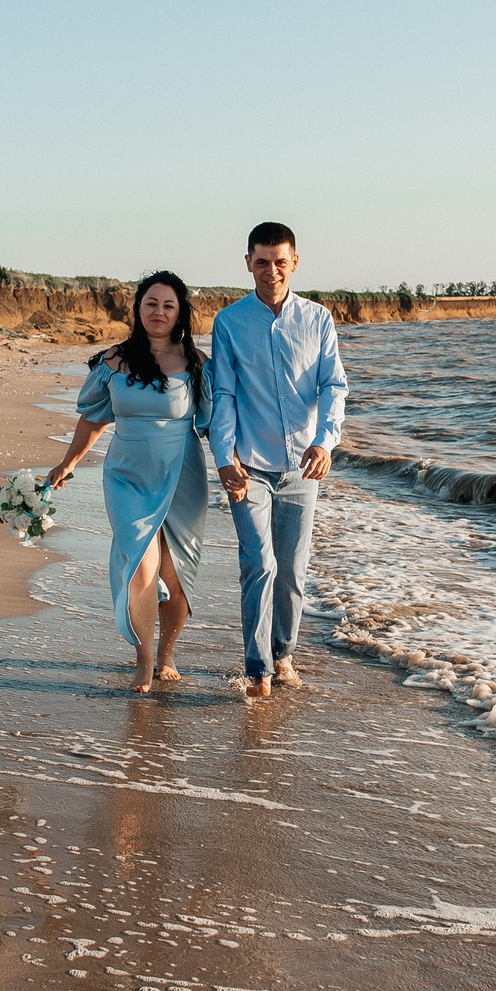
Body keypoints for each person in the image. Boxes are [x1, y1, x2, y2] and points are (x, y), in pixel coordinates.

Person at [46, 271, 214, 693]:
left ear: (180, 314)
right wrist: (68, 463)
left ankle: (168, 654)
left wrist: (237, 466)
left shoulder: (197, 365)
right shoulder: (113, 362)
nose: (159, 312)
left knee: (175, 578)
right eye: (151, 303)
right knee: (140, 568)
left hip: (183, 474)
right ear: (138, 308)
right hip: (126, 476)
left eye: (168, 305)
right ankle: (143, 661)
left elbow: (218, 425)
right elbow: (94, 417)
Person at [209, 222, 347, 699]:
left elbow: (333, 386)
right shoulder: (228, 323)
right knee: (259, 563)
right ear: (248, 262)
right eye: (262, 261)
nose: (271, 270)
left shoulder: (319, 319)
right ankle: (257, 668)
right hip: (248, 466)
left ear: (295, 262)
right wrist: (223, 456)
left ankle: (283, 652)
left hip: (302, 468)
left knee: (291, 570)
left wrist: (326, 442)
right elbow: (223, 392)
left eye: (280, 261)